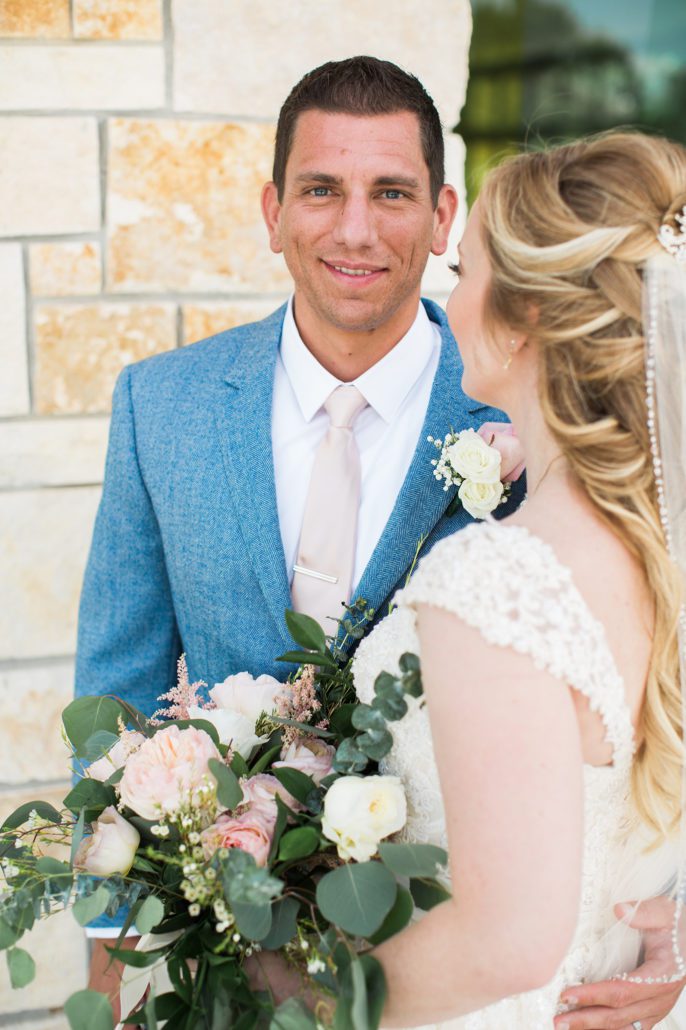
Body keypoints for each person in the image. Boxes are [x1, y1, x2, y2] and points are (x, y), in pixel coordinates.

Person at [74, 56, 681, 1026]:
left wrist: (673, 925)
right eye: (320, 189)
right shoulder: (161, 406)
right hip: (223, 968)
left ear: (444, 219)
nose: (354, 228)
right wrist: (114, 942)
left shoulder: (551, 424)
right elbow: (115, 693)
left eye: (390, 193)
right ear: (272, 210)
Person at [347, 131, 686, 1028]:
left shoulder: (500, 577)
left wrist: (301, 1000)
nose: (446, 302)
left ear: (527, 314)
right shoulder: (662, 554)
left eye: (462, 272)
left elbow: (508, 940)